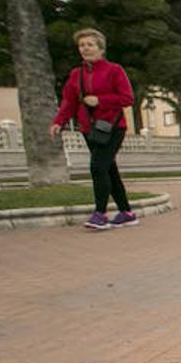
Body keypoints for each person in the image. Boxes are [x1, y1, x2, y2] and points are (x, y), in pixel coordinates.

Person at [49, 28, 136, 230]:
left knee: (97, 167)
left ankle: (100, 214)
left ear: (100, 48)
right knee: (108, 169)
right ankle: (126, 212)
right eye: (82, 45)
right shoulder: (75, 74)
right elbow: (69, 101)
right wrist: (58, 121)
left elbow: (127, 99)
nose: (85, 48)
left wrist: (100, 100)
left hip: (112, 128)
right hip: (89, 129)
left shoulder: (114, 70)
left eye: (89, 44)